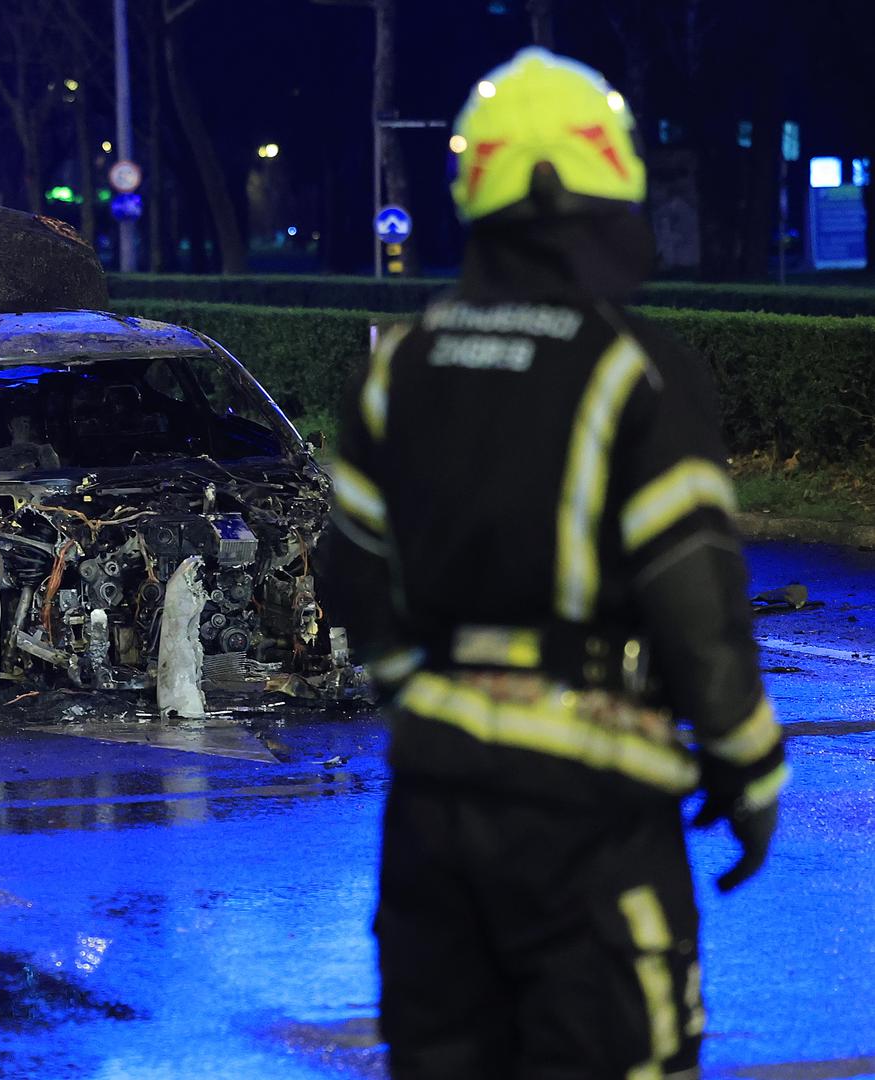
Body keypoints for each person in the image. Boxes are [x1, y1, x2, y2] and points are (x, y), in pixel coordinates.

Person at [317, 48, 788, 1080]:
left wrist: (425, 696)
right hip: (591, 823)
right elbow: (696, 599)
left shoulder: (397, 365)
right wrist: (748, 766)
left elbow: (346, 571)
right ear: (593, 185)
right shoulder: (634, 370)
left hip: (431, 823)